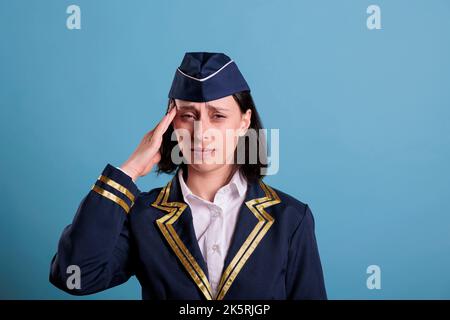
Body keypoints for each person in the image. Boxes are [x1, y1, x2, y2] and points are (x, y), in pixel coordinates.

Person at [49, 52, 327, 300]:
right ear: (170, 122)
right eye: (188, 115)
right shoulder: (144, 217)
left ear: (244, 122)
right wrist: (129, 171)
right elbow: (75, 278)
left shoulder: (290, 218)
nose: (201, 132)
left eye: (218, 116)